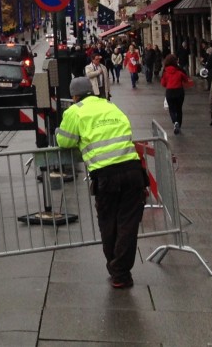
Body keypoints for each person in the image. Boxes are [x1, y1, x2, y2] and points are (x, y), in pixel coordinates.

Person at [56, 77, 147, 289]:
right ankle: (120, 271)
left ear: (74, 96)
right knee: (128, 224)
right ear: (93, 90)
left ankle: (118, 272)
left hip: (106, 175)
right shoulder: (111, 106)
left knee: (108, 222)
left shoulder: (74, 111)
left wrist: (59, 132)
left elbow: (65, 141)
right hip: (132, 170)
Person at [160, 54, 193, 135]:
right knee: (179, 109)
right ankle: (179, 124)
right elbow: (186, 79)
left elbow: (163, 83)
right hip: (179, 91)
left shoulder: (165, 72)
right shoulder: (179, 71)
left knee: (171, 109)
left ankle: (175, 122)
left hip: (170, 92)